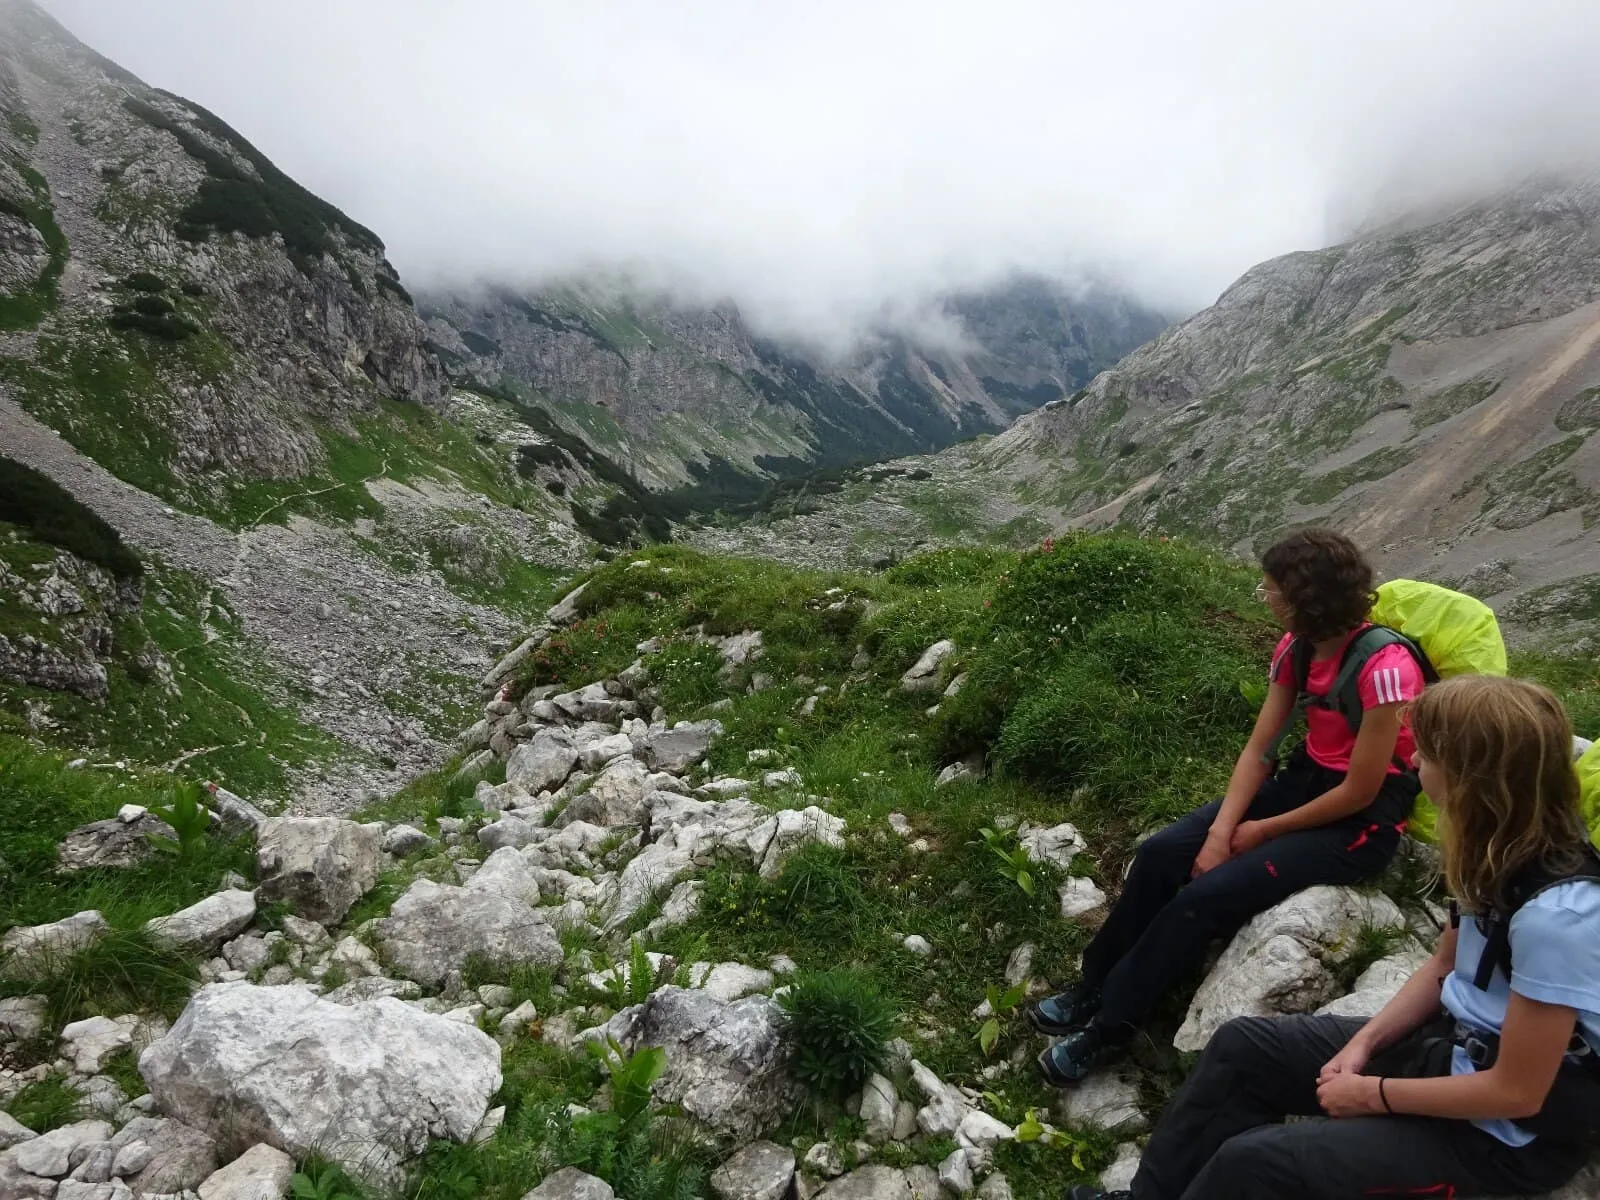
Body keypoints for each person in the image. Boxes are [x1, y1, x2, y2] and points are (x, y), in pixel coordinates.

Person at [1070, 674, 1600, 1200]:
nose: (1414, 763)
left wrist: (1372, 1095)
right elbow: (1443, 968)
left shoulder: (1558, 917)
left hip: (1498, 1143)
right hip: (1452, 1050)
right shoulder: (1494, 853)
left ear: (1471, 777)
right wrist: (1364, 1042)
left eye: (1429, 754)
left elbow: (1518, 1092)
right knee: (1242, 1049)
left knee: (1257, 1163)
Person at [1033, 528, 1425, 1082]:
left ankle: (1110, 1028)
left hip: (1361, 822)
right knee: (1163, 853)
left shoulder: (1386, 670)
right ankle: (1093, 982)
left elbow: (1361, 791)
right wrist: (1219, 832)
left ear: (1304, 600)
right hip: (1306, 780)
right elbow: (1261, 750)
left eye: (1271, 591)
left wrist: (1260, 832)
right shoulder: (1297, 648)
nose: (1264, 599)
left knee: (1204, 898)